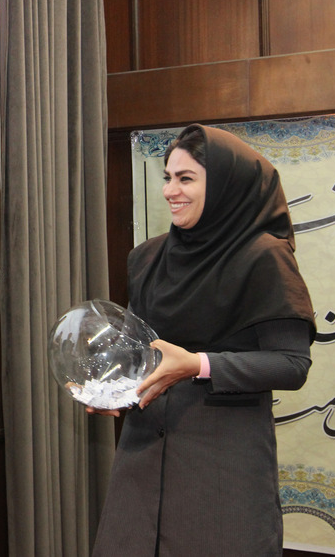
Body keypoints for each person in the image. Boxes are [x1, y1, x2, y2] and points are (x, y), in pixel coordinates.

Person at [91, 124, 316, 556]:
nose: (170, 191)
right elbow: (139, 351)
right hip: (141, 461)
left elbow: (292, 364)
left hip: (221, 471)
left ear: (226, 185)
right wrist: (112, 389)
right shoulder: (147, 257)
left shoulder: (264, 256)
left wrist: (198, 365)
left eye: (186, 178)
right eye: (167, 177)